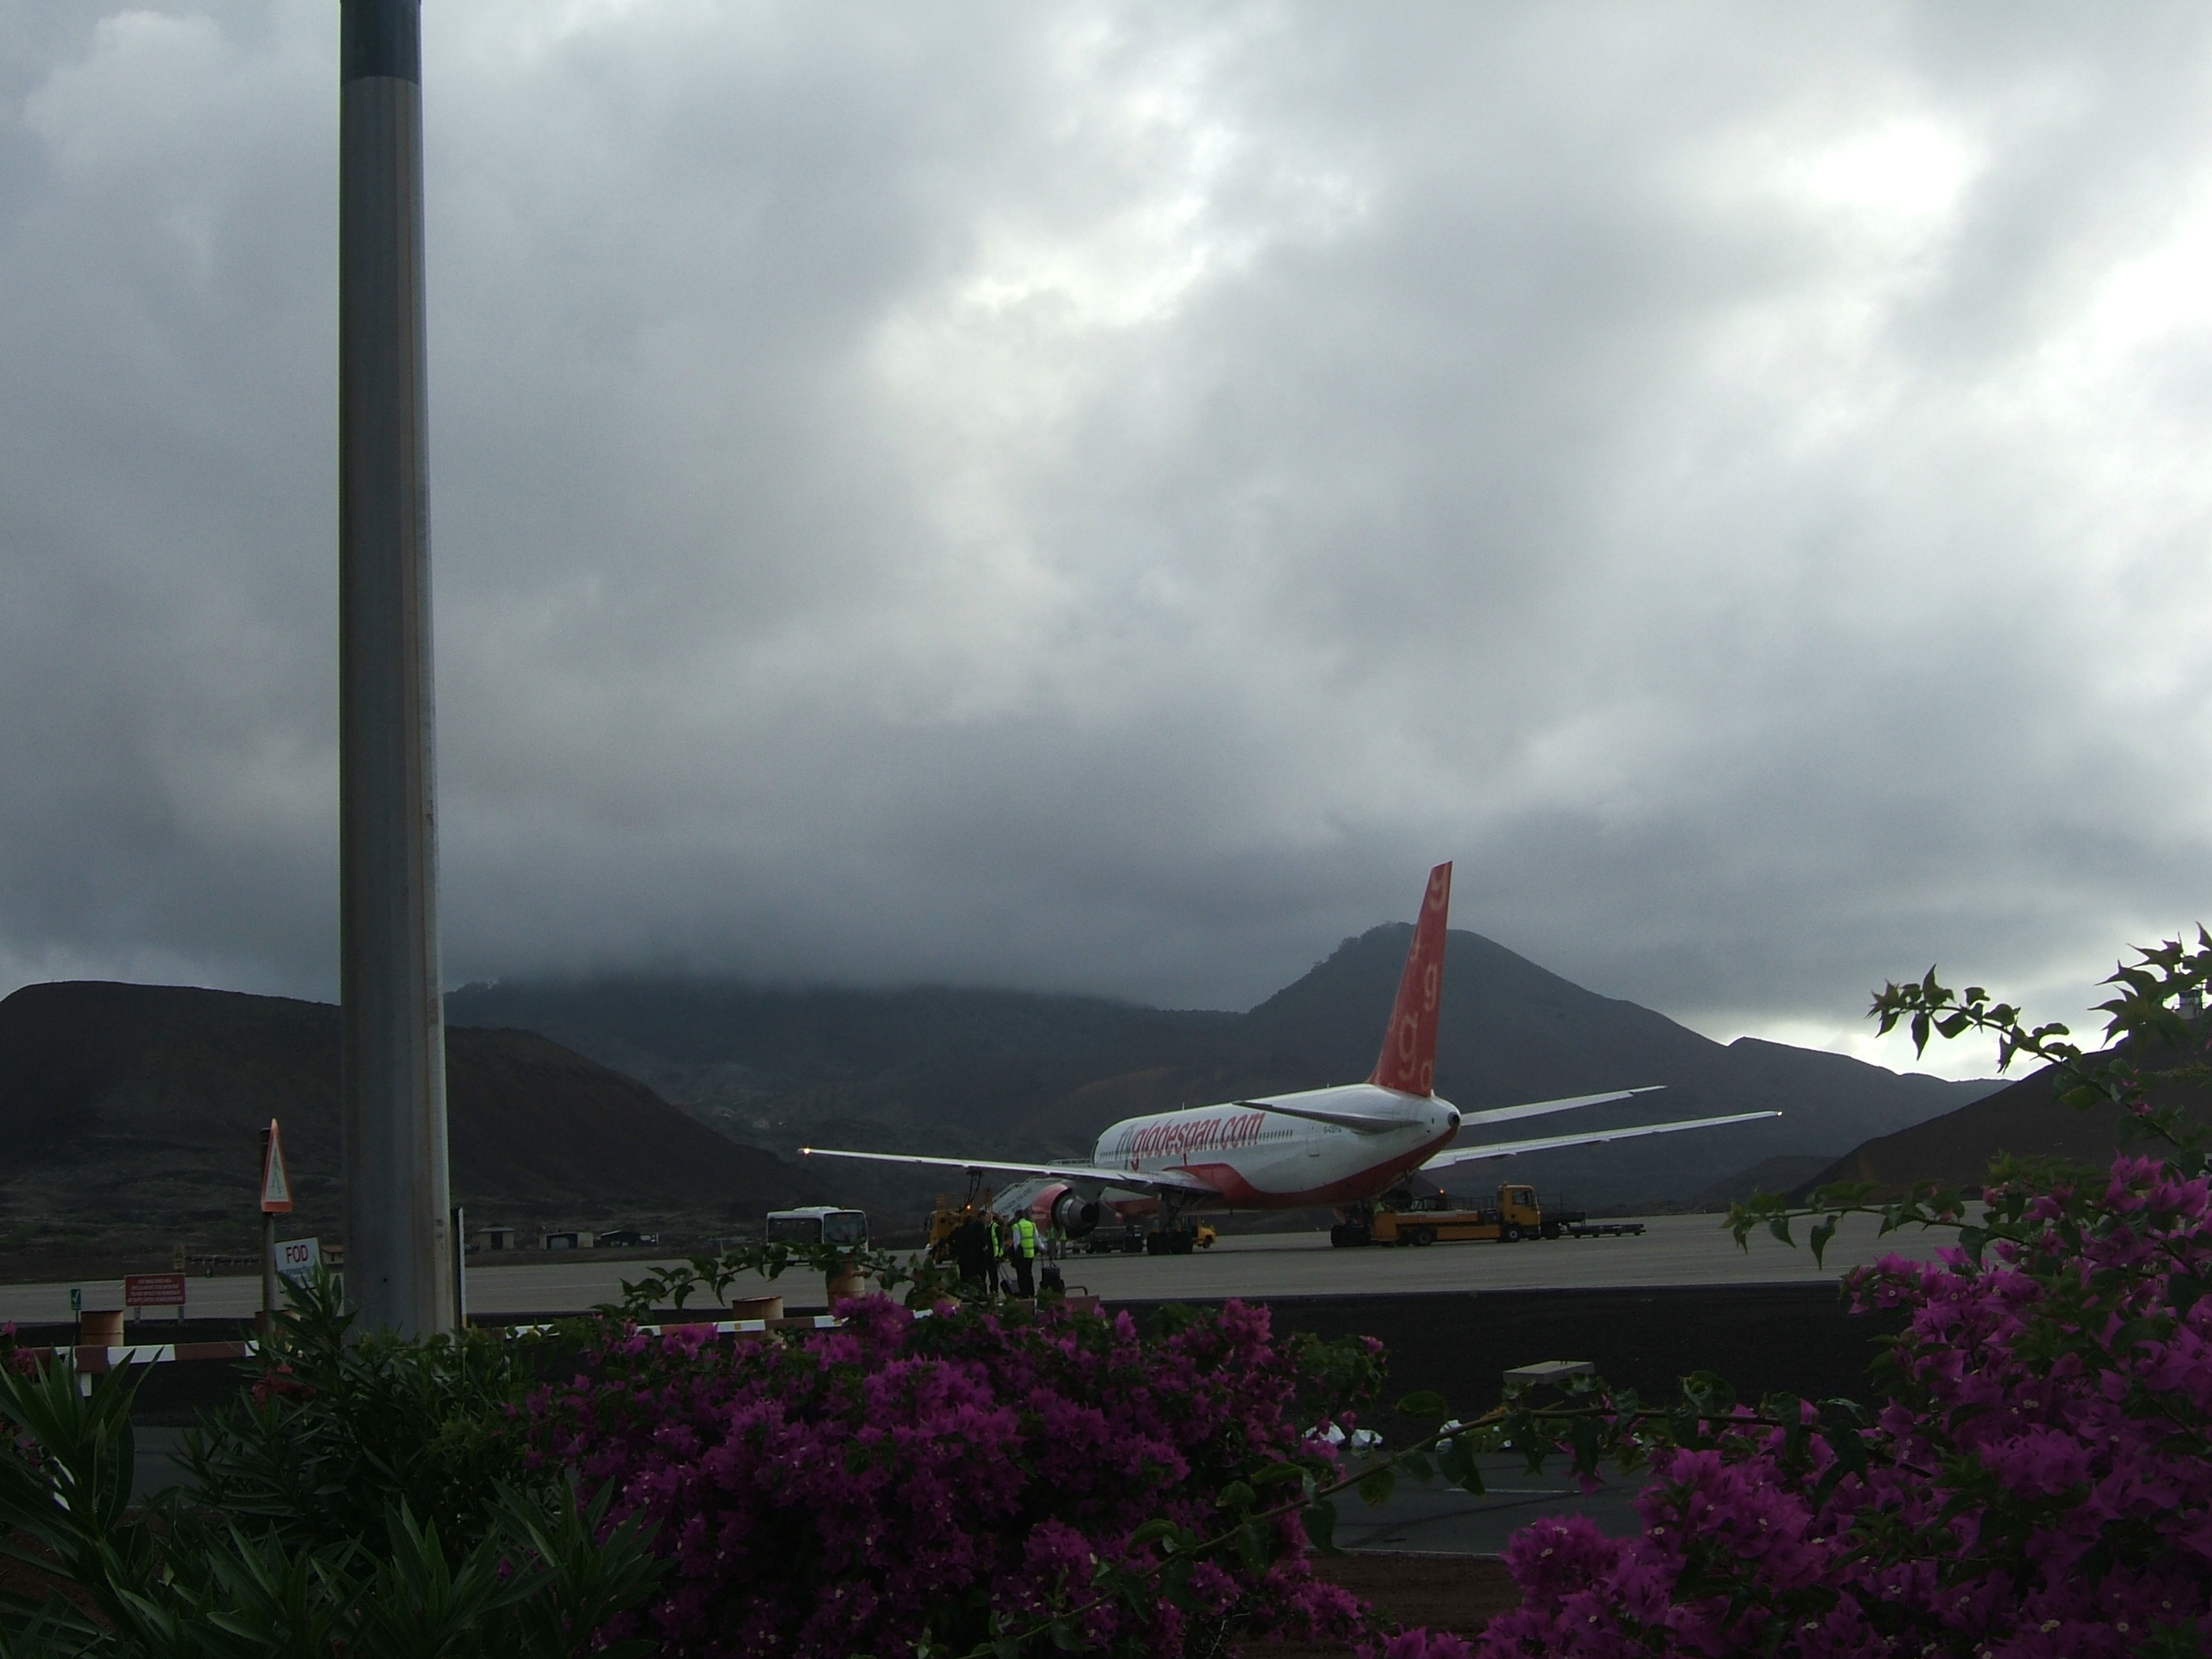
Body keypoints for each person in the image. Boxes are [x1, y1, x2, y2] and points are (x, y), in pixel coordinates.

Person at [1011, 1212, 1039, 1299]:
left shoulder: (1016, 1226)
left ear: (1017, 1217)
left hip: (1021, 1254)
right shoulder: (1032, 1225)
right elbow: (1036, 1238)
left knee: (1021, 1275)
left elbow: (1017, 1242)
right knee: (1029, 1273)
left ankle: (1024, 1293)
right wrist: (1042, 1247)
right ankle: (1031, 1292)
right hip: (1030, 1253)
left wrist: (1015, 1253)